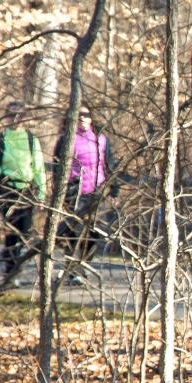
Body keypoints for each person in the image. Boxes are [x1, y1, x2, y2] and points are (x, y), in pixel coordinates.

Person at [0, 100, 47, 285]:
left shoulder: (31, 140)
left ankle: (12, 259)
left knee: (24, 231)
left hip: (26, 191)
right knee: (12, 230)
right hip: (5, 191)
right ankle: (10, 270)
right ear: (6, 117)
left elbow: (38, 169)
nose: (15, 119)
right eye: (11, 115)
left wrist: (41, 194)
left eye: (19, 115)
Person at [59, 105, 118, 283]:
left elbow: (110, 166)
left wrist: (114, 191)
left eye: (86, 115)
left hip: (96, 192)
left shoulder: (101, 140)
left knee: (94, 233)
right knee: (73, 232)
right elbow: (58, 167)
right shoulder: (67, 139)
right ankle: (71, 268)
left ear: (91, 118)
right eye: (79, 115)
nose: (82, 118)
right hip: (73, 192)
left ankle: (82, 266)